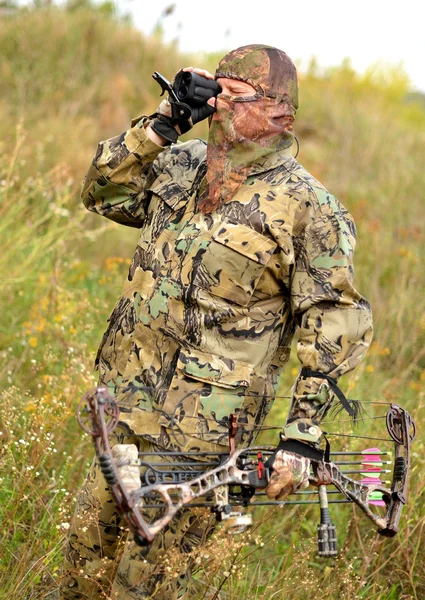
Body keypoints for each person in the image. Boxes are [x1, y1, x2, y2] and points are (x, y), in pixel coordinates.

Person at [60, 44, 373, 599]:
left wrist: (300, 436)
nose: (217, 106)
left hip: (201, 446)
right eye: (214, 91)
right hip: (125, 418)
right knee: (79, 573)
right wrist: (163, 123)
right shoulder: (180, 165)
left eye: (235, 96)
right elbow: (100, 192)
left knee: (148, 589)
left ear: (280, 113)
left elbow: (336, 322)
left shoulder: (308, 208)